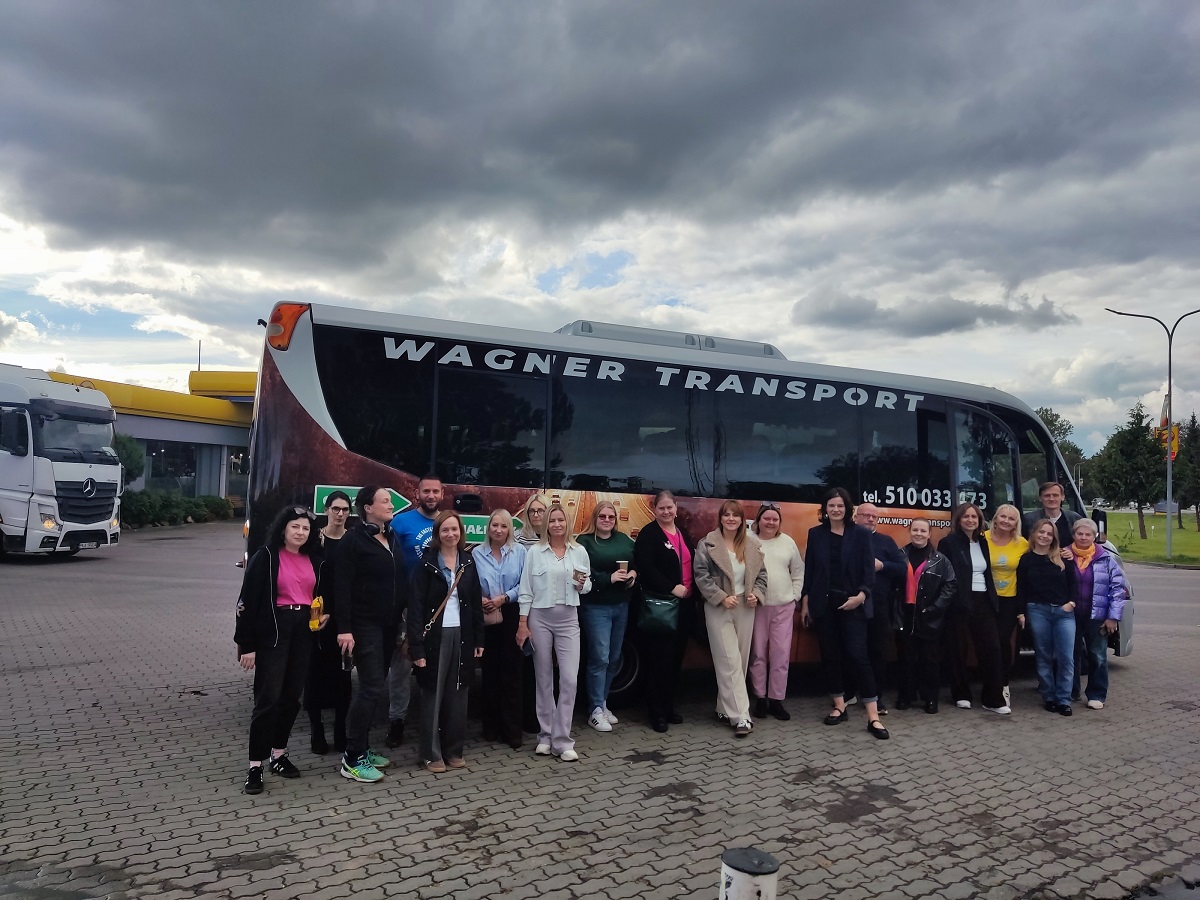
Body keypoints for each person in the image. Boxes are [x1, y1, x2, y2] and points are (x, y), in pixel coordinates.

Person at [235, 505, 327, 795]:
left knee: (291, 698)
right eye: (295, 527)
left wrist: (324, 615)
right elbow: (246, 602)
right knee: (268, 700)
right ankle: (255, 766)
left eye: (305, 528)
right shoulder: (266, 557)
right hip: (274, 631)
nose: (300, 533)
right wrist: (246, 645)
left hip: (304, 630)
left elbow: (320, 595)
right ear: (283, 529)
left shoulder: (314, 558)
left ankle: (279, 754)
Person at [799, 488, 889, 740]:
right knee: (830, 656)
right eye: (831, 506)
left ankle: (873, 717)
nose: (835, 510)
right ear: (824, 509)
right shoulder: (815, 534)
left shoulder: (860, 534)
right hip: (823, 605)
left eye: (840, 506)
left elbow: (867, 572)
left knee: (859, 656)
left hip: (853, 603)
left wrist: (861, 596)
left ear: (848, 509)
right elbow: (811, 572)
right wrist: (805, 603)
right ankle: (839, 706)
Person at [335, 486, 407, 784]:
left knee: (375, 686)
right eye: (385, 501)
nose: (391, 505)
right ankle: (352, 758)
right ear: (367, 507)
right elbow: (342, 587)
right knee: (371, 687)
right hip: (364, 625)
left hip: (389, 624)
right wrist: (345, 629)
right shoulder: (354, 540)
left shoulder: (389, 537)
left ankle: (363, 748)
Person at [409, 511, 485, 773]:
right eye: (445, 530)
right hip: (435, 637)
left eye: (454, 530)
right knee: (433, 694)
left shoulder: (468, 562)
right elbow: (416, 608)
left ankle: (454, 750)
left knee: (459, 694)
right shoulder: (426, 564)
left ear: (460, 532)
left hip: (462, 636)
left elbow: (475, 603)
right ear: (437, 534)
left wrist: (478, 638)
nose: (450, 534)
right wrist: (417, 648)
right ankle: (431, 754)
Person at [516, 503, 591, 761]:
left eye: (561, 520)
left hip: (569, 619)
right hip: (540, 618)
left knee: (569, 679)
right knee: (544, 679)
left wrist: (583, 584)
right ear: (545, 524)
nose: (556, 524)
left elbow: (587, 585)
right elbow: (525, 589)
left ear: (567, 523)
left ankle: (563, 739)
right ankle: (546, 736)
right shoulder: (535, 552)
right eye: (552, 520)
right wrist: (523, 623)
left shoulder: (579, 551)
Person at [694, 501, 768, 737]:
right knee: (729, 660)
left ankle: (723, 708)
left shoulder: (752, 544)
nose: (731, 519)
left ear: (741, 519)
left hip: (746, 607)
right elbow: (701, 576)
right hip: (719, 607)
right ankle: (741, 717)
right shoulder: (707, 543)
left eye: (735, 516)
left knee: (740, 661)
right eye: (726, 515)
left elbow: (762, 576)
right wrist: (721, 597)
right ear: (721, 518)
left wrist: (756, 595)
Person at [386, 475, 444, 748]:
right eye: (426, 491)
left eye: (436, 491)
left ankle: (433, 721)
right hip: (408, 606)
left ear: (442, 494)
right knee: (402, 665)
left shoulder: (448, 523)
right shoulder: (401, 522)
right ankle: (396, 721)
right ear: (417, 493)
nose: (431, 495)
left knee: (434, 663)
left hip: (439, 606)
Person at [939, 502, 1010, 714]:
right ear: (958, 520)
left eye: (974, 517)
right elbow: (946, 576)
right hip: (959, 602)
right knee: (958, 649)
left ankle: (993, 699)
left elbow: (987, 573)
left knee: (992, 649)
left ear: (980, 520)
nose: (970, 520)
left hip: (983, 601)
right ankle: (961, 694)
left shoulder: (983, 542)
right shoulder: (948, 543)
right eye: (966, 516)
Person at [633, 490, 694, 733]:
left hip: (683, 607)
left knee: (675, 661)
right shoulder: (649, 534)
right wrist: (672, 588)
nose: (666, 512)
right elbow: (646, 568)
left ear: (676, 508)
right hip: (661, 606)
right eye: (662, 508)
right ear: (654, 509)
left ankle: (668, 708)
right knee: (658, 661)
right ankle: (656, 713)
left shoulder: (682, 533)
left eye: (670, 507)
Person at [576, 501, 637, 733]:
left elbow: (637, 562)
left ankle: (602, 703)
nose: (607, 520)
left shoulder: (623, 540)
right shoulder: (585, 541)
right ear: (595, 518)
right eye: (602, 516)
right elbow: (580, 573)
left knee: (614, 658)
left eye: (611, 517)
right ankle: (594, 710)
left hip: (621, 605)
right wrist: (607, 579)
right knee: (599, 658)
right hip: (595, 607)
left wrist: (633, 573)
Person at [471, 509, 528, 748]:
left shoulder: (520, 552)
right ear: (488, 528)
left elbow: (525, 584)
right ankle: (490, 728)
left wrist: (504, 598)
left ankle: (512, 730)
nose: (498, 530)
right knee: (489, 673)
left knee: (512, 673)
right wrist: (481, 598)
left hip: (511, 613)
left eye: (503, 526)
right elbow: (470, 583)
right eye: (494, 525)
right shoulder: (476, 553)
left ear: (510, 530)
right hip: (486, 616)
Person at [1064, 518, 1128, 710]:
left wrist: (1113, 617)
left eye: (1088, 534)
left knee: (1097, 655)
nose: (1083, 538)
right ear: (1073, 535)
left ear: (1095, 537)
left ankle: (1097, 694)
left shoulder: (1105, 559)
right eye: (1079, 534)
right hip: (1069, 615)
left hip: (1097, 617)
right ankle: (1070, 691)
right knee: (1069, 655)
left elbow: (1118, 589)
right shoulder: (1063, 555)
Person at [306, 490, 352, 755]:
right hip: (314, 618)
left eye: (345, 510)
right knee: (313, 677)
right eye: (336, 509)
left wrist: (335, 613)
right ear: (326, 509)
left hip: (340, 618)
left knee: (343, 677)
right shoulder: (315, 540)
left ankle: (340, 730)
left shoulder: (351, 541)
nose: (340, 514)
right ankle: (316, 730)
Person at [894, 518, 957, 713]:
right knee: (905, 659)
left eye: (923, 531)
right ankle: (906, 696)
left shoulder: (941, 560)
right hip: (905, 614)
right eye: (915, 530)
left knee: (929, 661)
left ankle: (930, 699)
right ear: (910, 532)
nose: (919, 534)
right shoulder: (900, 556)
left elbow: (951, 584)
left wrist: (935, 608)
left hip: (929, 616)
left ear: (929, 534)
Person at [749, 503, 803, 721]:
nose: (771, 522)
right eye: (767, 518)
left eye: (775, 519)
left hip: (783, 606)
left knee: (780, 655)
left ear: (779, 522)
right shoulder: (749, 541)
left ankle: (777, 700)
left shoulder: (787, 542)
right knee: (758, 654)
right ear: (758, 520)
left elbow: (798, 571)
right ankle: (760, 699)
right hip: (757, 607)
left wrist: (795, 596)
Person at [1018, 519, 1078, 716]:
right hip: (1038, 611)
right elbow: (1022, 588)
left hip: (1063, 614)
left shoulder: (1063, 557)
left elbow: (1074, 584)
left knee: (1066, 658)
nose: (1044, 536)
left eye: (1049, 534)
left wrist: (1071, 603)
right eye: (1041, 532)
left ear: (1054, 538)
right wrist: (1021, 612)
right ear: (1034, 534)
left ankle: (1063, 700)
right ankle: (1048, 697)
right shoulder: (1025, 560)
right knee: (1043, 656)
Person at [852, 502, 907, 715]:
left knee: (876, 651)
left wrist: (882, 565)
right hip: (852, 602)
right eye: (865, 515)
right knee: (852, 650)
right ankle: (848, 694)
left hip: (879, 605)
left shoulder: (886, 541)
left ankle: (876, 698)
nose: (870, 519)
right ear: (856, 517)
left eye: (874, 516)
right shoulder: (848, 538)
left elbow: (903, 569)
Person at [983, 503, 1029, 706]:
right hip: (985, 598)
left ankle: (1003, 684)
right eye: (1002, 516)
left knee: (1003, 642)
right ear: (995, 518)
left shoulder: (1022, 543)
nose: (1006, 521)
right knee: (989, 644)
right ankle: (990, 685)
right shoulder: (982, 538)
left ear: (1016, 524)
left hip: (1009, 599)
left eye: (1011, 519)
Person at [1022, 481, 1082, 549]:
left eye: (1055, 495)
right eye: (1047, 496)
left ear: (1063, 497)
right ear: (1040, 498)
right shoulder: (1029, 520)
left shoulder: (1074, 518)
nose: (1051, 499)